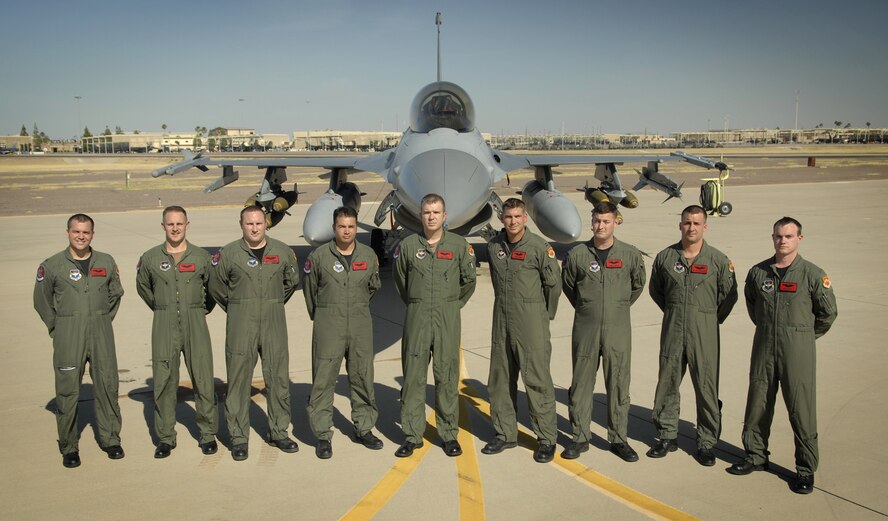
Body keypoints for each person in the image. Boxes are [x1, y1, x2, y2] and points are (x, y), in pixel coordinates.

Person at [728, 217, 837, 495]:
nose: (782, 241)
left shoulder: (813, 274)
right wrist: (771, 330)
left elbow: (828, 314)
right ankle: (755, 455)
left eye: (788, 236)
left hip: (797, 350)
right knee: (758, 403)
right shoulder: (758, 273)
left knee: (801, 409)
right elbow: (753, 306)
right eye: (778, 236)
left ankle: (804, 469)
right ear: (772, 237)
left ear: (799, 238)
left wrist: (802, 336)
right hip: (764, 345)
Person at [208, 205, 301, 461]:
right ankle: (238, 437)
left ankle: (279, 431)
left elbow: (291, 283)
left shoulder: (282, 252)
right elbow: (216, 287)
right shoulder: (228, 254)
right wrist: (239, 306)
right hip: (241, 323)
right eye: (249, 223)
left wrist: (270, 302)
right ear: (241, 225)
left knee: (278, 378)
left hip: (273, 321)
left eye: (259, 223)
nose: (254, 228)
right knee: (238, 381)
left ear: (265, 224)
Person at [647, 205, 738, 466]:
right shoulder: (666, 257)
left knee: (706, 387)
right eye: (687, 223)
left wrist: (708, 318)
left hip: (704, 332)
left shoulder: (719, 261)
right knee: (667, 382)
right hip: (673, 329)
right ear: (680, 225)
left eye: (697, 223)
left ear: (705, 226)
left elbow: (729, 296)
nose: (691, 228)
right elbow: (657, 291)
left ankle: (707, 442)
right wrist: (675, 312)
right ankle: (666, 435)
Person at [33, 214, 125, 468]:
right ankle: (69, 446)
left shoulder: (105, 262)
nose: (81, 236)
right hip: (68, 336)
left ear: (92, 234)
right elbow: (41, 301)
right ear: (68, 233)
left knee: (107, 386)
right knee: (68, 392)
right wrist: (59, 327)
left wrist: (102, 319)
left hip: (101, 334)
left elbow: (115, 293)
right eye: (76, 232)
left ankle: (110, 439)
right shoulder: (52, 266)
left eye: (86, 232)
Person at [392, 193, 476, 457]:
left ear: (444, 216)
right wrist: (418, 303)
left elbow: (468, 281)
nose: (431, 217)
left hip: (447, 318)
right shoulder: (407, 246)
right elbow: (401, 281)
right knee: (414, 378)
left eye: (436, 212)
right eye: (427, 212)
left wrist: (450, 305)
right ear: (421, 215)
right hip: (417, 317)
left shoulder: (459, 245)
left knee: (447, 377)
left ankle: (449, 434)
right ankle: (412, 434)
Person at [561, 201, 645, 462]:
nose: (600, 226)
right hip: (585, 328)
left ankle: (619, 439)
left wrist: (616, 307)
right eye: (597, 220)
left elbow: (638, 286)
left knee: (618, 383)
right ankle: (579, 437)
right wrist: (589, 307)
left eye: (606, 221)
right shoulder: (578, 255)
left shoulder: (630, 254)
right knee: (582, 384)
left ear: (615, 222)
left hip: (617, 330)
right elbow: (569, 287)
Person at [482, 198, 561, 463]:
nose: (513, 221)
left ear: (525, 218)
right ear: (502, 218)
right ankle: (505, 433)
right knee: (500, 379)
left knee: (537, 380)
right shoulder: (494, 246)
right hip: (501, 319)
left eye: (517, 216)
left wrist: (542, 316)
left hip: (531, 322)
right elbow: (495, 279)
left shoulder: (539, 247)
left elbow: (553, 285)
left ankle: (547, 438)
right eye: (508, 217)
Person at [136, 206, 218, 458]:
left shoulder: (201, 257)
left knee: (203, 379)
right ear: (163, 226)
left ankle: (207, 434)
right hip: (164, 322)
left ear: (187, 225)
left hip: (195, 321)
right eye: (170, 224)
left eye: (179, 224)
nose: (174, 228)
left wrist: (195, 310)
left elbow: (212, 291)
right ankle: (165, 438)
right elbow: (144, 289)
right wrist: (165, 308)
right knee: (163, 381)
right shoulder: (150, 258)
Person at [303, 207, 383, 459]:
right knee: (324, 379)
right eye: (341, 226)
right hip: (329, 323)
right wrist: (325, 314)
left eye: (350, 226)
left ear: (355, 227)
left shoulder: (368, 255)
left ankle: (364, 427)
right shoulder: (318, 257)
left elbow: (373, 287)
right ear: (334, 228)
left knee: (362, 376)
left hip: (360, 322)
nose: (346, 231)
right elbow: (309, 291)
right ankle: (323, 434)